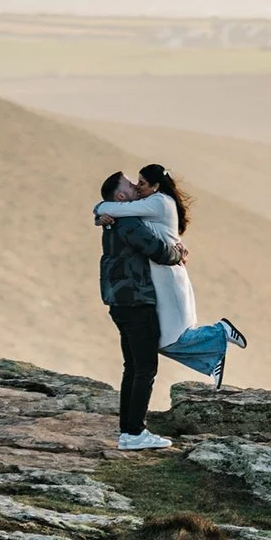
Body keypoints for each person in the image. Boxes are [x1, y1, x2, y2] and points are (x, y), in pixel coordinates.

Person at [94, 162, 249, 400]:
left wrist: (101, 211)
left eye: (142, 183)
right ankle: (213, 358)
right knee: (159, 341)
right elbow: (112, 209)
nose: (138, 186)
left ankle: (220, 332)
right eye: (134, 183)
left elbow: (110, 207)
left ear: (155, 186)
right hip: (158, 279)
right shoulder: (145, 204)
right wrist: (101, 216)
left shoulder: (158, 202)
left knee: (166, 339)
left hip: (169, 277)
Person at [98, 171, 185, 450]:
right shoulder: (130, 223)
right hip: (137, 301)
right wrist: (179, 254)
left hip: (118, 301)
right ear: (121, 197)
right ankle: (134, 433)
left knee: (133, 367)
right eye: (129, 184)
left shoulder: (112, 222)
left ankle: (128, 431)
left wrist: (98, 212)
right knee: (145, 367)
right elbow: (158, 251)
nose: (135, 186)